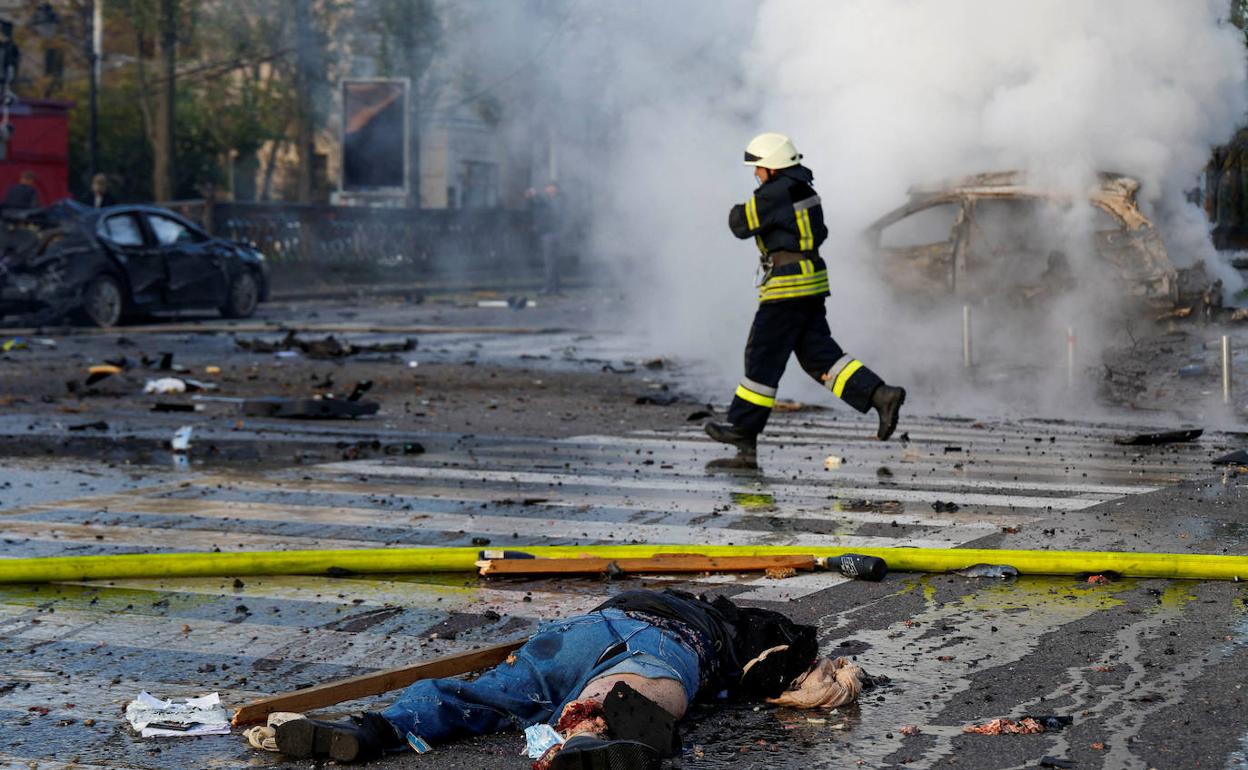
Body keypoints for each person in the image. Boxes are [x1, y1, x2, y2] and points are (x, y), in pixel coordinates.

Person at [267, 588, 868, 768]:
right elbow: (782, 668)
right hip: (662, 644)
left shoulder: (661, 600)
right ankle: (589, 739)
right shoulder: (733, 630)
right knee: (639, 692)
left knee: (485, 695)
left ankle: (375, 728)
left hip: (578, 632)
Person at [704, 133, 906, 461]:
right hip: (811, 284)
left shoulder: (774, 193)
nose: (756, 174)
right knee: (819, 356)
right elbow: (820, 232)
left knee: (762, 356)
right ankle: (880, 395)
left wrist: (728, 205)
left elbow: (740, 225)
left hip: (787, 289)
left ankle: (743, 429)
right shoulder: (806, 190)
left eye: (758, 168)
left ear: (773, 166)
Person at [528, 183, 563, 295]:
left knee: (550, 263)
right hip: (550, 233)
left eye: (549, 187)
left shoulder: (556, 201)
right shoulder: (553, 200)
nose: (547, 189)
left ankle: (549, 288)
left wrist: (535, 195)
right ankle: (556, 288)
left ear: (554, 189)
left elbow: (545, 205)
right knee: (553, 263)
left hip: (550, 234)